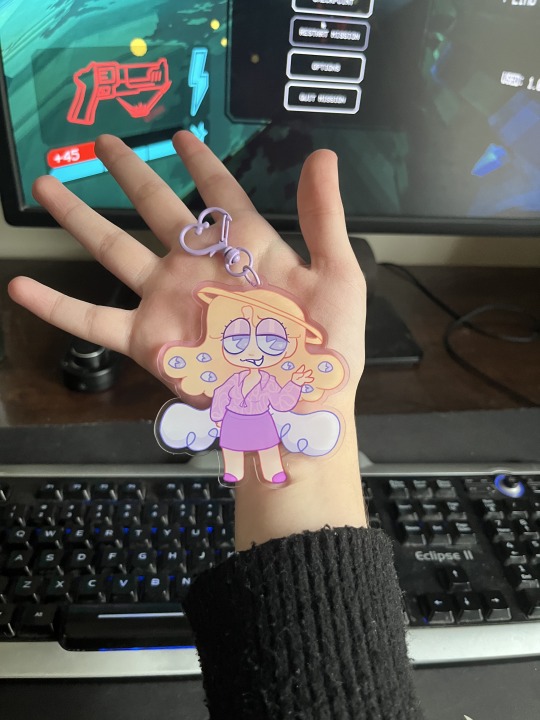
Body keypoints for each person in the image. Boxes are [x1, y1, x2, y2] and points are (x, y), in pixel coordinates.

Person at [8, 132, 424, 719]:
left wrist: (298, 422)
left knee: (260, 450)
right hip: (245, 434)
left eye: (269, 338)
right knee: (241, 451)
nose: (253, 347)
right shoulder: (226, 369)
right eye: (240, 337)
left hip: (267, 432)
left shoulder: (280, 370)